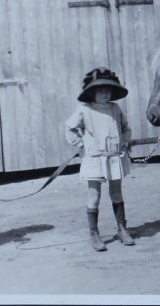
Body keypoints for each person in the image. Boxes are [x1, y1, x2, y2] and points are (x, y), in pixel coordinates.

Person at [64, 67, 135, 252]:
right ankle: (94, 234)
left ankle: (121, 228)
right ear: (92, 92)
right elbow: (69, 128)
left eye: (107, 89)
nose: (104, 93)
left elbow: (126, 128)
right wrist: (80, 145)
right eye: (99, 90)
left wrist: (125, 141)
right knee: (94, 196)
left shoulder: (115, 109)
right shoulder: (85, 110)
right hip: (94, 159)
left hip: (114, 158)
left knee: (116, 192)